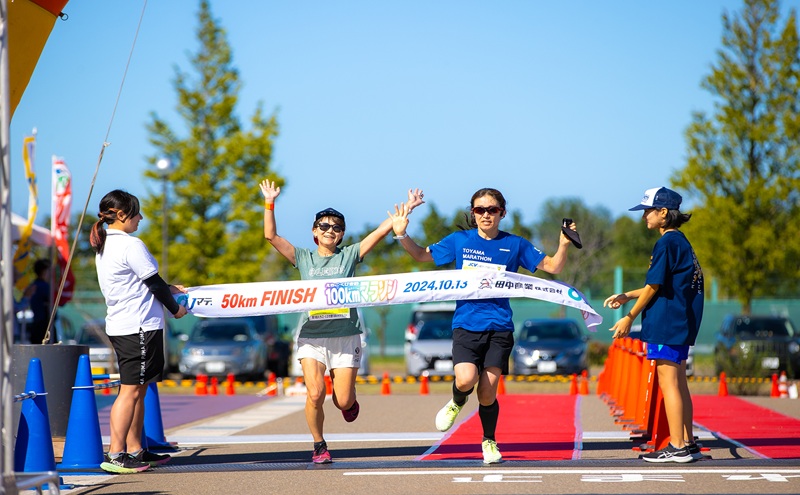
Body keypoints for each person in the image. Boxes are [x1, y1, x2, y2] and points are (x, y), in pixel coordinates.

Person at [389, 187, 578, 464]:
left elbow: (553, 267)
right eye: (480, 210)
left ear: (502, 213)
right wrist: (402, 233)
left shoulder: (515, 244)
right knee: (465, 379)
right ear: (472, 213)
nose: (486, 215)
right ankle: (457, 401)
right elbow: (420, 255)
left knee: (488, 392)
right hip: (466, 325)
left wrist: (563, 244)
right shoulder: (459, 240)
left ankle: (489, 441)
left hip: (500, 328)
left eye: (492, 210)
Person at [259, 179, 424, 464]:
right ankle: (319, 445)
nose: (330, 231)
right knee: (315, 393)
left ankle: (349, 400)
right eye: (324, 226)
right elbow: (271, 236)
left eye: (336, 227)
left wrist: (406, 209)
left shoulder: (349, 256)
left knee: (343, 401)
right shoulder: (303, 258)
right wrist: (270, 202)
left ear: (342, 234)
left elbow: (379, 232)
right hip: (312, 336)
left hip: (345, 335)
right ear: (314, 232)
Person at [90, 189, 188, 474]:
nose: (140, 218)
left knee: (139, 390)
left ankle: (135, 448)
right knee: (131, 391)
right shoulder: (130, 244)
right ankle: (116, 454)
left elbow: (145, 282)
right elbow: (153, 283)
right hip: (138, 327)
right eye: (136, 212)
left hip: (127, 325)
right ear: (121, 215)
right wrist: (175, 308)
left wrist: (169, 289)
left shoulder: (106, 244)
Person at [603, 186, 704, 463]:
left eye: (648, 211)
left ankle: (678, 446)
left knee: (668, 383)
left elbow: (655, 285)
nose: (645, 216)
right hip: (679, 321)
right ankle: (689, 442)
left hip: (667, 323)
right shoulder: (680, 241)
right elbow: (660, 285)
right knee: (679, 382)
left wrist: (629, 315)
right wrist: (628, 296)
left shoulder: (666, 243)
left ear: (663, 213)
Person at [27, 258, 55, 344]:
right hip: (44, 326)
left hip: (37, 324)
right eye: (49, 270)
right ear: (43, 271)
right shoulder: (44, 287)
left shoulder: (34, 285)